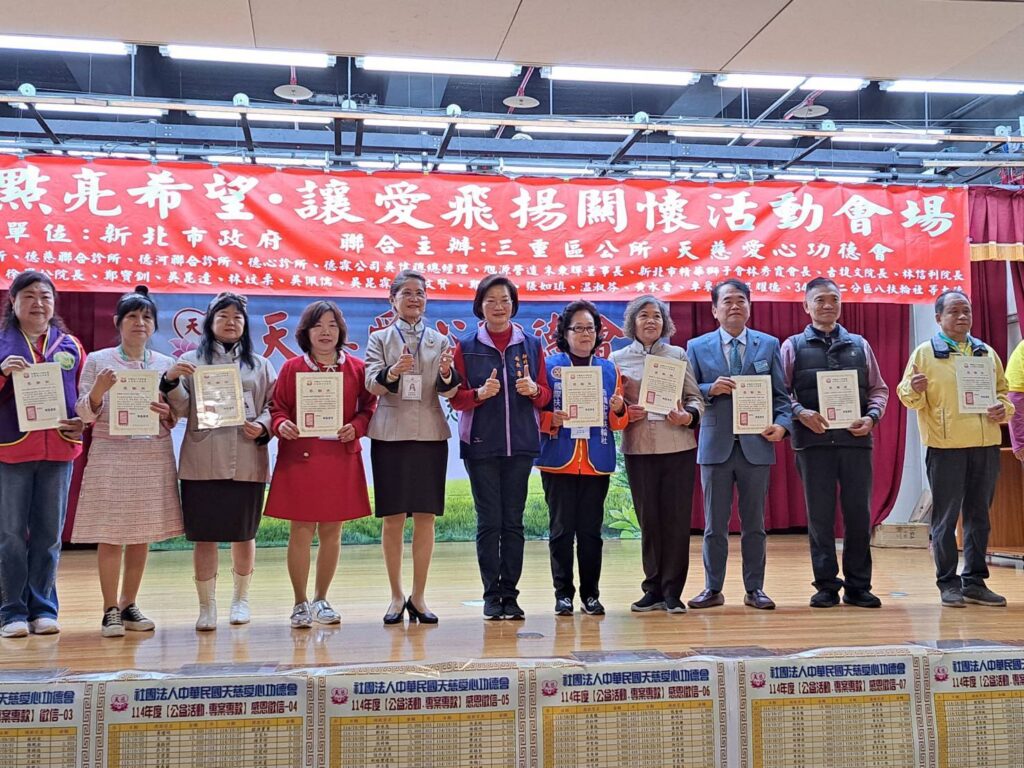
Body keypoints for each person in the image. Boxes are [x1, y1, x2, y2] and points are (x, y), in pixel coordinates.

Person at [72, 286, 184, 637]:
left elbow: (175, 415)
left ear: (154, 325)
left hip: (152, 455)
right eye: (132, 316)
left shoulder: (164, 365)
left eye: (147, 317)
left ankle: (129, 604)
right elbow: (83, 414)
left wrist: (167, 413)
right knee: (110, 534)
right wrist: (97, 392)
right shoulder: (98, 360)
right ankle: (109, 610)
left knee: (141, 533)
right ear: (117, 322)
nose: (140, 322)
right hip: (111, 455)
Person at [164, 292, 277, 630]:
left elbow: (275, 405)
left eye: (237, 317)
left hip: (247, 456)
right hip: (203, 459)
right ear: (210, 322)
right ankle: (206, 606)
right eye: (223, 316)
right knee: (205, 535)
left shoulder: (260, 364)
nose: (231, 322)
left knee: (244, 534)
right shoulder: (191, 362)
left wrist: (263, 426)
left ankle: (241, 599)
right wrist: (171, 381)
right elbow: (181, 408)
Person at [897, 289, 1012, 608]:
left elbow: (1004, 394)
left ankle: (974, 581)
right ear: (938, 318)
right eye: (954, 311)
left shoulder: (986, 352)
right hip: (945, 447)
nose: (962, 317)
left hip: (985, 446)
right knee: (945, 520)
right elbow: (907, 397)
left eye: (967, 311)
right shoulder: (924, 353)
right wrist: (914, 388)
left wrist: (1003, 410)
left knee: (979, 516)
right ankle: (948, 582)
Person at [265, 301, 376, 628]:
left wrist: (356, 426)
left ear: (341, 331)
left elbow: (370, 408)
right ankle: (299, 602)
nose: (325, 332)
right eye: (318, 325)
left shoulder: (356, 368)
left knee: (332, 531)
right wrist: (281, 424)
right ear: (306, 332)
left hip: (339, 456)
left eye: (332, 325)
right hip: (300, 457)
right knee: (300, 530)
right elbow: (277, 408)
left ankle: (321, 599)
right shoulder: (291, 368)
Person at [781, 278, 888, 610]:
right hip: (812, 444)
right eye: (820, 300)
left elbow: (879, 389)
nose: (828, 305)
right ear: (806, 306)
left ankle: (858, 586)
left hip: (855, 442)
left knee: (859, 516)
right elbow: (781, 392)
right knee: (820, 517)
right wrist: (800, 413)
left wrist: (871, 417)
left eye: (834, 300)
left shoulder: (860, 344)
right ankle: (826, 585)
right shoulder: (792, 346)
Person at [686, 279, 791, 611]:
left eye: (741, 301)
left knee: (754, 525)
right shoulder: (696, 346)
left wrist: (782, 425)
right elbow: (687, 393)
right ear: (714, 310)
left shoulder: (768, 344)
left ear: (749, 306)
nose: (734, 306)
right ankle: (712, 588)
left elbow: (782, 398)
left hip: (756, 446)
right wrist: (709, 389)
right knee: (714, 525)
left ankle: (755, 588)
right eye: (727, 301)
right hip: (715, 447)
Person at [451, 274, 551, 620]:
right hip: (481, 446)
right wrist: (478, 395)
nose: (498, 306)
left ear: (514, 305)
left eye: (505, 300)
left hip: (521, 444)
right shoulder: (466, 346)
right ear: (480, 306)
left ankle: (511, 594)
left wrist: (534, 391)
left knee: (513, 523)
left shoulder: (531, 344)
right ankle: (491, 596)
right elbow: (455, 398)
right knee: (489, 522)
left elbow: (546, 394)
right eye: (491, 300)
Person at [365, 271, 459, 625]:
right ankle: (395, 595)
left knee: (425, 517)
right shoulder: (379, 338)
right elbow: (372, 385)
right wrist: (393, 372)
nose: (415, 299)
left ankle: (419, 596)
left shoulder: (439, 339)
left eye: (420, 293)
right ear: (392, 300)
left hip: (430, 435)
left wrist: (447, 373)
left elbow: (450, 392)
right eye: (407, 293)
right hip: (390, 434)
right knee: (393, 519)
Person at [0, 271, 85, 638]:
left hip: (58, 451)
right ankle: (11, 611)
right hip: (11, 450)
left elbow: (84, 396)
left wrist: (83, 421)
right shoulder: (1, 344)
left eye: (45, 296)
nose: (38, 303)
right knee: (10, 535)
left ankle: (44, 608)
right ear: (13, 302)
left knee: (49, 534)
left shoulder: (70, 346)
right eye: (30, 296)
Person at [611, 294, 703, 615]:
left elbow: (695, 397)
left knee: (676, 521)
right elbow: (614, 404)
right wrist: (625, 411)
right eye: (644, 315)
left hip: (677, 446)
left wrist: (687, 416)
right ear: (632, 322)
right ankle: (652, 589)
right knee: (648, 521)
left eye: (657, 316)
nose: (651, 321)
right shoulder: (617, 358)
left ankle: (673, 592)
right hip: (638, 448)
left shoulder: (677, 355)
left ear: (665, 323)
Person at [537, 300, 628, 617]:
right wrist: (550, 420)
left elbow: (617, 423)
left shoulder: (609, 369)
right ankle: (563, 595)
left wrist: (619, 409)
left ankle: (591, 595)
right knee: (561, 531)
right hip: (558, 458)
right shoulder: (548, 366)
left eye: (590, 328)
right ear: (565, 333)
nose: (585, 333)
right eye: (578, 328)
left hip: (595, 460)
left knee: (591, 533)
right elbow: (533, 412)